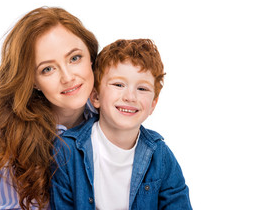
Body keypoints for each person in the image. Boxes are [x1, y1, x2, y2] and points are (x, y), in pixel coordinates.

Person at [0, 6, 99, 210]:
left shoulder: (107, 119)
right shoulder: (2, 126)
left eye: (75, 58)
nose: (68, 77)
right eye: (47, 69)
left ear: (91, 56)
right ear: (33, 81)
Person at [50, 39, 192, 209]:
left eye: (142, 89)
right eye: (119, 84)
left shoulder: (160, 156)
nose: (130, 97)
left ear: (153, 104)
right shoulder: (67, 150)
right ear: (95, 96)